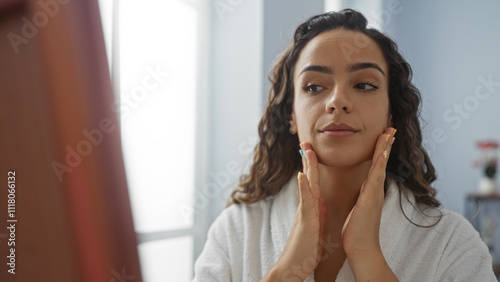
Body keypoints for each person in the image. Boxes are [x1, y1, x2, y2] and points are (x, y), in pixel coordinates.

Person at [192, 9, 496, 282]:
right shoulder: (235, 232)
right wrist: (287, 272)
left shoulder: (452, 243)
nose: (337, 101)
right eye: (314, 87)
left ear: (392, 111)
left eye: (364, 85)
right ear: (292, 116)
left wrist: (367, 256)